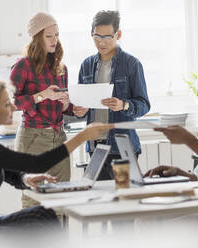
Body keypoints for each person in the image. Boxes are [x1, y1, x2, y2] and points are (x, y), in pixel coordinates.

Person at [0, 79, 113, 230]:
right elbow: (38, 163)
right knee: (42, 215)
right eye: (6, 104)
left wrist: (25, 179)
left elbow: (7, 172)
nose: (13, 107)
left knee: (43, 214)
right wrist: (82, 136)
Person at [73, 10, 150, 180]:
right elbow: (82, 106)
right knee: (99, 200)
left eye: (107, 37)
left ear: (118, 34)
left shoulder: (132, 64)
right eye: (96, 37)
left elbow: (144, 104)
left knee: (125, 198)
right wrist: (80, 110)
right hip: (95, 146)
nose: (101, 42)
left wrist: (124, 105)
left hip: (122, 147)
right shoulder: (86, 65)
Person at [10, 12, 73, 208]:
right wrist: (42, 95)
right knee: (33, 199)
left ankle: (60, 239)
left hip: (58, 137)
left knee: (62, 197)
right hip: (33, 137)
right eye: (49, 36)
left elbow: (62, 109)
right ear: (37, 37)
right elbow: (11, 102)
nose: (55, 40)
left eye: (56, 35)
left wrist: (68, 105)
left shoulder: (61, 68)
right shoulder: (23, 65)